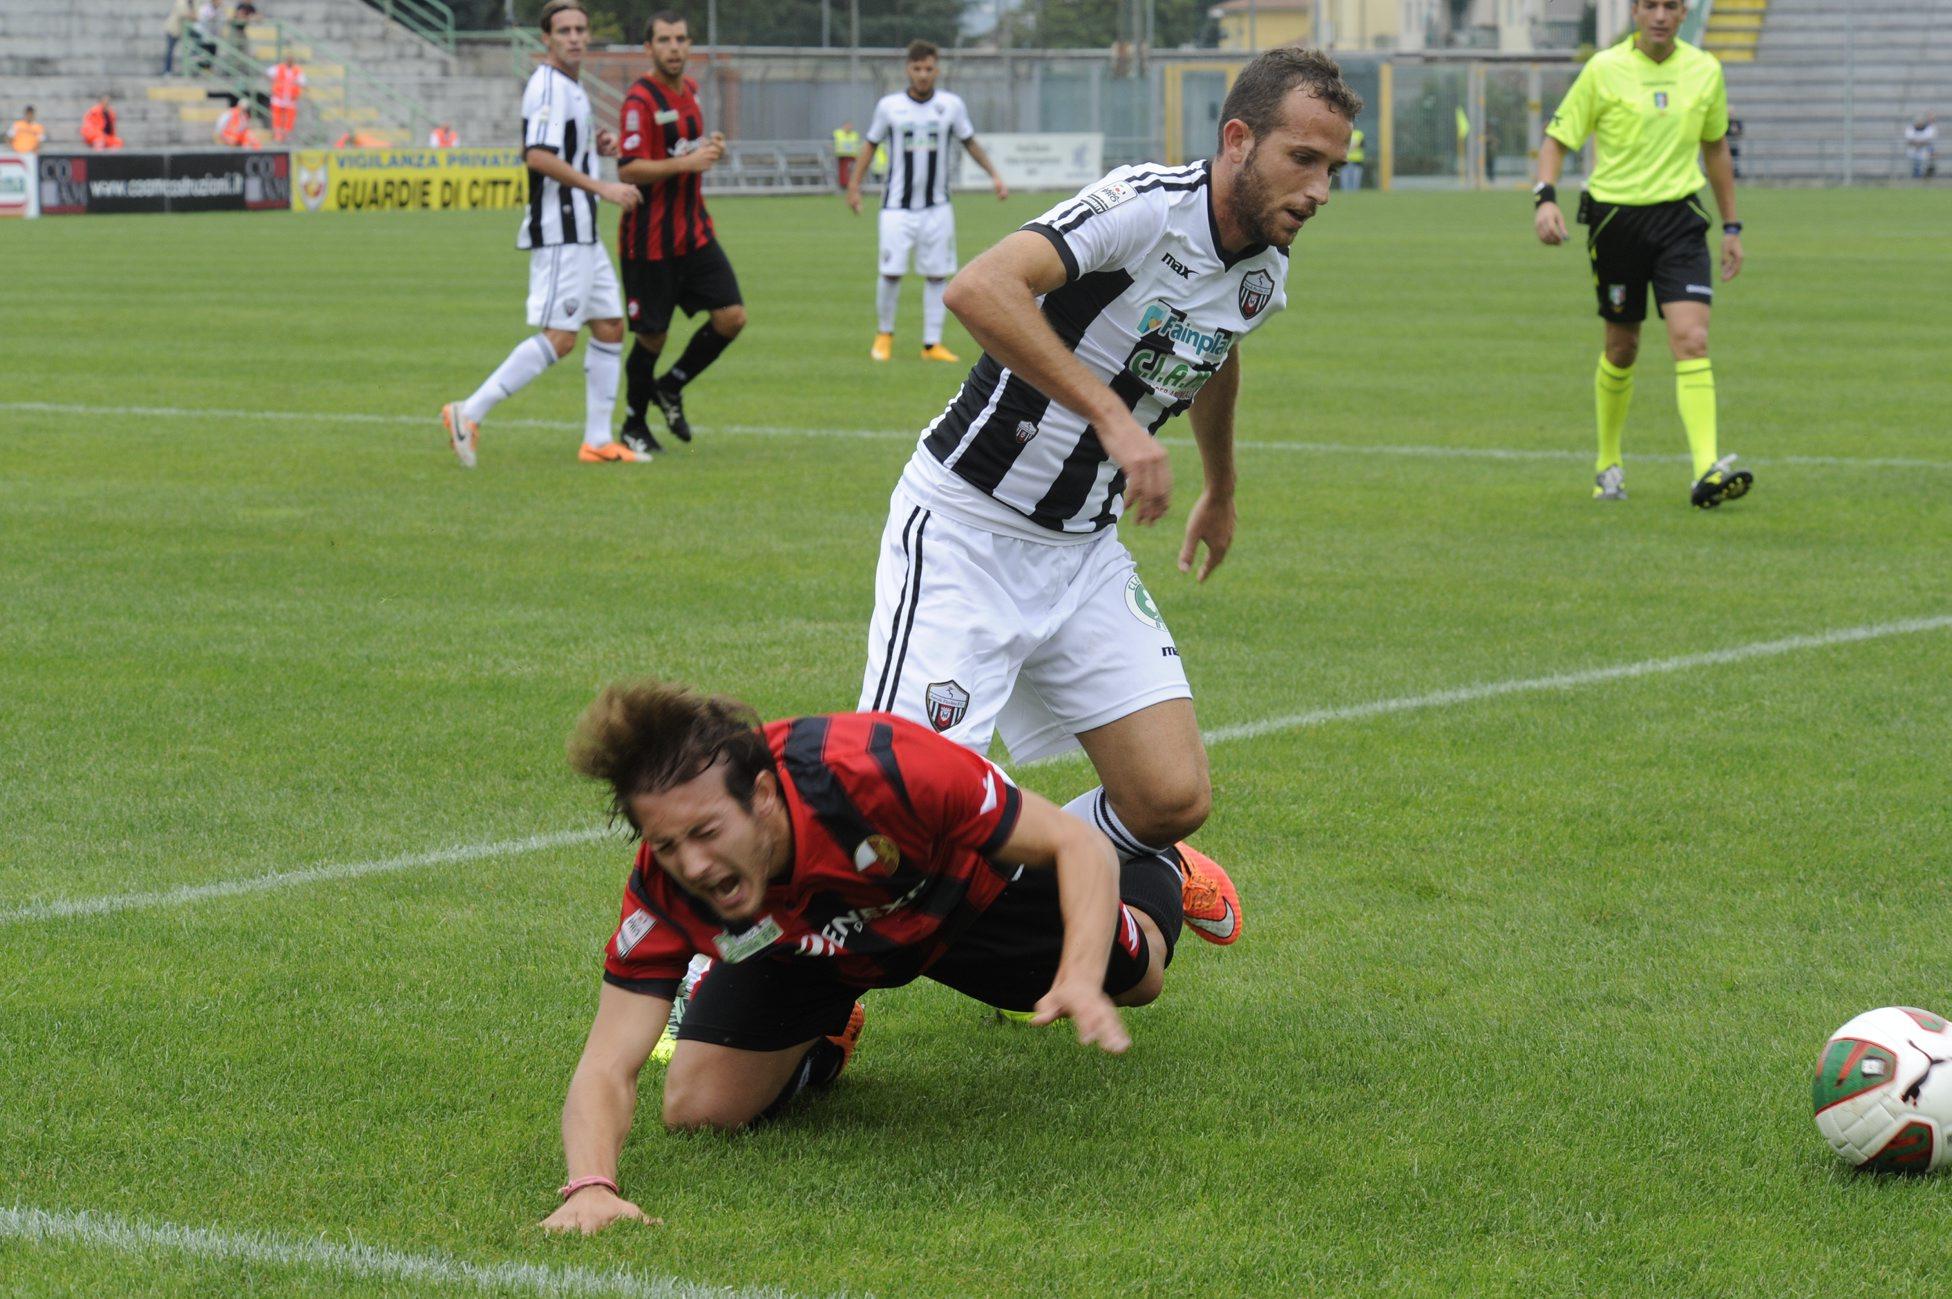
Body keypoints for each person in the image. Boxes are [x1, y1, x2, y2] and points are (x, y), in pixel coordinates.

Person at [856, 46, 1360, 957]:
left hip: (1083, 553)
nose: (1322, 188)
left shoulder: (1265, 270)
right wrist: (1117, 425)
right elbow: (981, 287)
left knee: (1170, 800)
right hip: (967, 530)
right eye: (1305, 159)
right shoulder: (1146, 205)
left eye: (1335, 169)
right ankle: (745, 980)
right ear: (1238, 140)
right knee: (892, 821)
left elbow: (1218, 347)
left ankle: (1077, 887)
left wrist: (1221, 488)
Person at [541, 678, 1195, 1234]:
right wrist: (590, 1185)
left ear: (763, 795)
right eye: (667, 843)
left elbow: (1075, 845)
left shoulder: (879, 769)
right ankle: (825, 1037)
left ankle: (1165, 868)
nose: (693, 864)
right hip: (814, 952)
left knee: (1141, 978)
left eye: (707, 832)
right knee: (700, 1110)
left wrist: (1080, 975)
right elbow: (606, 1061)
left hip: (962, 900)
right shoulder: (665, 887)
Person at [1534, 0, 1748, 509]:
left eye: (1670, 5)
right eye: (1649, 4)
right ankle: (1608, 464)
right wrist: (1544, 198)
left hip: (1680, 222)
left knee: (1691, 339)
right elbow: (1556, 139)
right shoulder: (1603, 70)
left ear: (1683, 13)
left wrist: (1732, 225)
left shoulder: (1705, 69)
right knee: (1622, 349)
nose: (1659, 15)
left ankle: (1706, 473)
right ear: (1634, 11)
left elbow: (1715, 149)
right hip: (1616, 223)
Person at [440, 0, 644, 467]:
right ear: (546, 39)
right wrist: (604, 187)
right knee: (561, 336)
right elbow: (536, 155)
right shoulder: (548, 86)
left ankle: (596, 440)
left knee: (611, 325)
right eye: (564, 30)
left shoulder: (571, 87)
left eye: (580, 29)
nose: (574, 37)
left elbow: (551, 146)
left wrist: (596, 145)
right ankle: (467, 412)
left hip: (584, 232)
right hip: (561, 233)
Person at [613, 10, 747, 456]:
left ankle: (670, 386)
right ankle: (633, 424)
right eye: (666, 40)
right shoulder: (639, 102)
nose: (675, 47)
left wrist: (712, 150)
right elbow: (629, 168)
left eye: (682, 39)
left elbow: (687, 151)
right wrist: (684, 164)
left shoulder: (689, 91)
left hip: (695, 233)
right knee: (652, 336)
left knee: (731, 318)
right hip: (649, 241)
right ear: (649, 48)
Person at [843, 40, 1009, 364]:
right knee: (891, 272)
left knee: (937, 275)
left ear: (937, 69)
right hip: (896, 208)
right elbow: (869, 145)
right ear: (908, 69)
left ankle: (931, 344)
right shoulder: (889, 106)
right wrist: (854, 187)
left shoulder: (951, 105)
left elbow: (969, 142)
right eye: (917, 69)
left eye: (928, 69)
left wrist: (994, 175)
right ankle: (884, 335)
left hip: (937, 208)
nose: (922, 75)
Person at [267, 56, 305, 143]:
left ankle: (286, 135)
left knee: (289, 118)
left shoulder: (297, 70)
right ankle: (277, 134)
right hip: (278, 97)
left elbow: (303, 82)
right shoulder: (279, 68)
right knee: (277, 117)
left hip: (290, 98)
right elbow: (268, 73)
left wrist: (297, 83)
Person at [164, 0, 195, 75]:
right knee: (170, 51)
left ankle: (187, 70)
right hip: (173, 30)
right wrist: (193, 16)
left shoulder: (191, 3)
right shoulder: (181, 2)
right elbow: (183, 14)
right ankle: (167, 71)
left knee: (191, 48)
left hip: (182, 31)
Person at [1905, 115, 1938, 180]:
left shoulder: (1928, 129)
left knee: (1930, 155)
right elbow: (1909, 140)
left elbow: (1929, 140)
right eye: (1918, 122)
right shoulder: (1911, 128)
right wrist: (1918, 144)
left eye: (1921, 122)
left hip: (1924, 150)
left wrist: (1920, 144)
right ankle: (1917, 175)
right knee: (1915, 161)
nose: (1919, 123)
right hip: (1913, 150)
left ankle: (1926, 174)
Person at [832, 120, 860, 189]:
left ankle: (852, 184)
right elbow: (830, 143)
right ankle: (843, 185)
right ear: (843, 126)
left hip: (852, 156)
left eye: (850, 126)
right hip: (841, 156)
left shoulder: (855, 134)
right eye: (847, 125)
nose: (849, 127)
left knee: (852, 171)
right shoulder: (837, 133)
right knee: (843, 172)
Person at [1342, 122, 1364, 190]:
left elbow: (1360, 145)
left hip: (1357, 160)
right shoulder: (1344, 133)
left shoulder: (1359, 134)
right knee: (1345, 177)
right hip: (1345, 159)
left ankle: (1355, 191)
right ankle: (1345, 191)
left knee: (1355, 178)